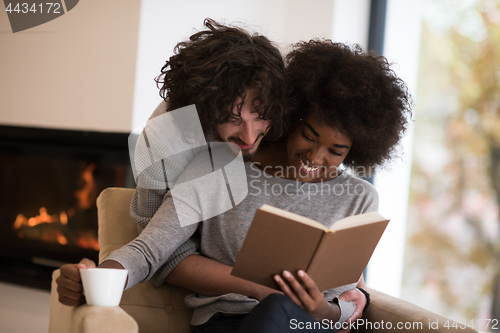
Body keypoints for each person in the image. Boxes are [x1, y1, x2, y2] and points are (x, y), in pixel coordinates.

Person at [65, 40, 411, 332]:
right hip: (228, 322)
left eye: (336, 151)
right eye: (309, 136)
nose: (315, 157)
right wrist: (98, 276)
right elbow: (150, 249)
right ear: (292, 116)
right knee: (275, 309)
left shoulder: (359, 198)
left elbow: (347, 303)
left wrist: (323, 310)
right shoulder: (219, 165)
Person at [56, 17, 289, 304]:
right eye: (231, 118)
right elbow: (156, 251)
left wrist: (352, 292)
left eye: (261, 115)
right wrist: (98, 280)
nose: (250, 136)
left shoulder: (286, 119)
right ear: (205, 110)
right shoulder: (164, 142)